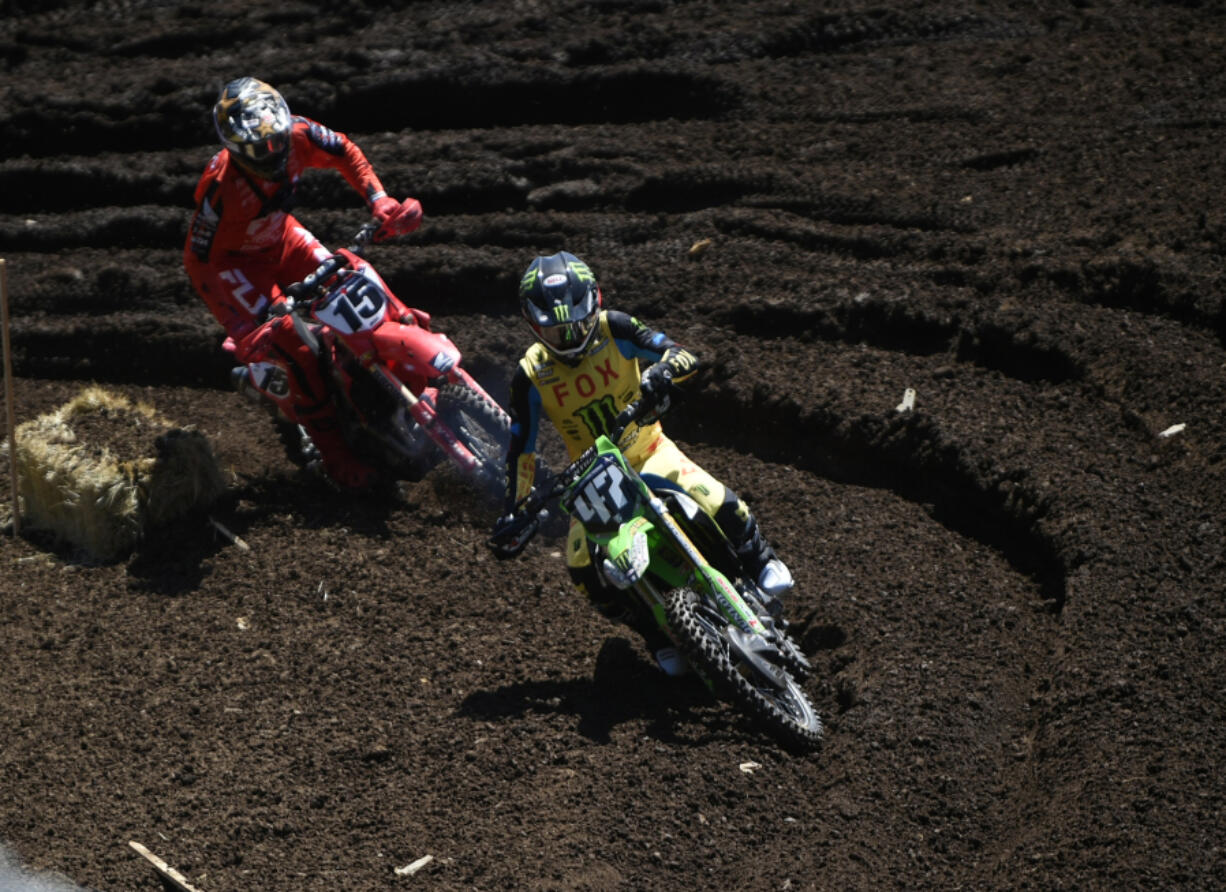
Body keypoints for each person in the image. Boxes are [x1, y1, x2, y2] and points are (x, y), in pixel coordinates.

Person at [494, 251, 793, 676]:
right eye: (555, 331)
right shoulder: (530, 374)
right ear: (533, 323)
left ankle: (760, 558)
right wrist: (514, 508)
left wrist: (663, 372)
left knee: (714, 498)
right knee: (583, 571)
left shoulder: (616, 327)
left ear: (593, 304)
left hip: (646, 448)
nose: (569, 336)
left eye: (576, 324)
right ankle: (656, 635)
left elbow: (680, 353)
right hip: (591, 480)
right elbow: (520, 448)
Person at [183, 76, 423, 490]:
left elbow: (344, 150)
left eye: (275, 142)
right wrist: (238, 325)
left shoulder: (298, 132)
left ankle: (404, 349)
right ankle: (335, 457)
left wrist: (378, 199)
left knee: (351, 277)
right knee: (296, 345)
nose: (272, 154)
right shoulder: (220, 189)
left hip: (282, 238)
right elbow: (199, 260)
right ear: (235, 149)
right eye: (258, 150)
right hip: (236, 265)